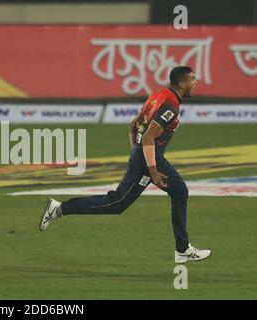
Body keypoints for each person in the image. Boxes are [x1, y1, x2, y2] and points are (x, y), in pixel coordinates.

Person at [39, 66, 211, 264]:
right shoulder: (170, 105)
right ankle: (60, 208)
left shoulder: (157, 95)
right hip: (150, 157)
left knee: (127, 202)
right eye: (193, 79)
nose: (195, 82)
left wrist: (136, 154)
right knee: (123, 202)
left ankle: (182, 249)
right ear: (182, 83)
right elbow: (148, 138)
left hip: (144, 156)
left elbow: (133, 126)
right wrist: (153, 170)